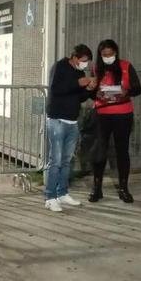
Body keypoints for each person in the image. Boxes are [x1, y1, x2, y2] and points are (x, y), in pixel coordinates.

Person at [89, 39, 141, 203]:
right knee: (100, 151)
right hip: (102, 114)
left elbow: (138, 89)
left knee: (122, 151)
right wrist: (94, 93)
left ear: (116, 53)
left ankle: (124, 188)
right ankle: (97, 188)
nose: (108, 57)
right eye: (104, 55)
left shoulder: (126, 66)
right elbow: (90, 91)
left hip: (123, 114)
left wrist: (127, 91)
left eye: (110, 54)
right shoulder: (96, 69)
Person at [44, 44, 97, 212]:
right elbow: (56, 89)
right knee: (56, 160)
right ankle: (50, 197)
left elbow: (79, 97)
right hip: (57, 120)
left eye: (87, 62)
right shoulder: (60, 66)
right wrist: (77, 83)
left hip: (72, 122)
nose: (85, 64)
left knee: (67, 161)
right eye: (83, 61)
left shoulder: (80, 73)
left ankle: (62, 193)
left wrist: (88, 89)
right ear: (74, 57)